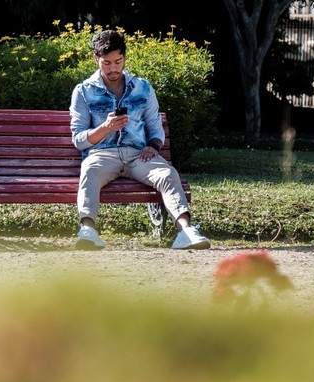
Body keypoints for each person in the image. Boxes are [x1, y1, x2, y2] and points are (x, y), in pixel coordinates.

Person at [69, 29, 210, 251]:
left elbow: (155, 127)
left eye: (118, 61)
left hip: (138, 155)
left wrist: (153, 146)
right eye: (106, 63)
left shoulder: (143, 88)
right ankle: (88, 231)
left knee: (167, 173)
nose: (113, 68)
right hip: (102, 155)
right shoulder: (84, 91)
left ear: (125, 57)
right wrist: (105, 127)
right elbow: (79, 140)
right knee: (90, 170)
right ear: (96, 58)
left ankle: (185, 231)